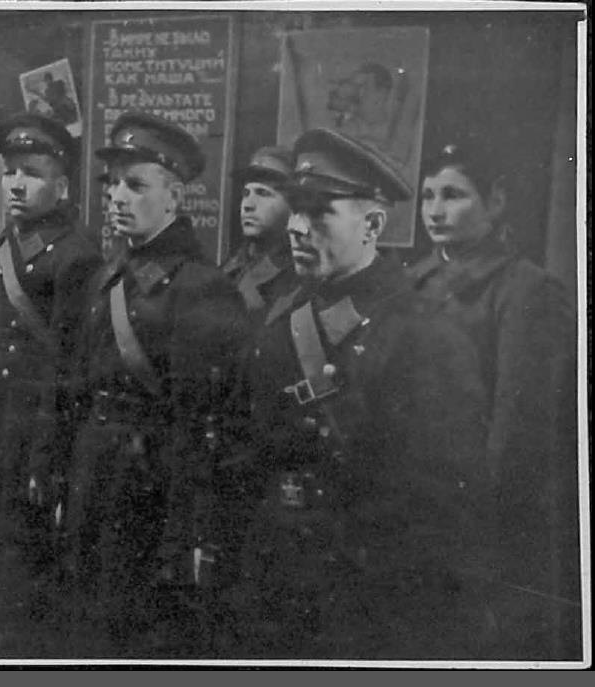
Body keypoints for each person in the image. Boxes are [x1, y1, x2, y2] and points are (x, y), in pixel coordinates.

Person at [223, 128, 494, 659]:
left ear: (372, 225)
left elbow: (443, 507)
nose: (297, 227)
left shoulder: (423, 332)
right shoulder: (285, 317)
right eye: (295, 209)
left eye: (319, 212)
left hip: (368, 597)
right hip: (275, 580)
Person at [56, 111, 254, 657]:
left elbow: (203, 423)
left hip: (151, 487)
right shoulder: (108, 275)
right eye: (112, 184)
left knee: (139, 626)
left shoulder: (201, 288)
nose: (117, 197)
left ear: (174, 198)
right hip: (97, 469)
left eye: (136, 185)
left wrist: (187, 529)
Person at [409, 139, 580, 659]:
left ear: (496, 201)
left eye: (454, 195)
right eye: (428, 195)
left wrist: (470, 517)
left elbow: (518, 430)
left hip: (477, 518)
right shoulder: (410, 284)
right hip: (410, 506)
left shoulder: (526, 291)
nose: (435, 210)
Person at [0, 112, 101, 654]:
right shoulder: (6, 244)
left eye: (32, 174)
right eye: (10, 171)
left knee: (24, 538)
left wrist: (45, 452)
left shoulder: (75, 256)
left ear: (62, 186)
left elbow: (69, 365)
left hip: (30, 424)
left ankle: (21, 647)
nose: (15, 184)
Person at [222, 145, 298, 324]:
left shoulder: (297, 277)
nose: (248, 205)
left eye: (263, 193)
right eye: (246, 193)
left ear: (293, 206)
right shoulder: (229, 268)